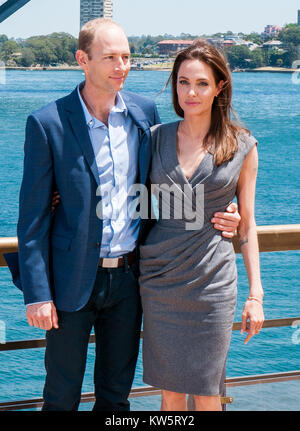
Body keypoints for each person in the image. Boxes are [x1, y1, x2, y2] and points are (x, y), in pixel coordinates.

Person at [6, 20, 241, 411]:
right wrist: (38, 295)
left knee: (116, 397)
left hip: (132, 280)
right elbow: (31, 220)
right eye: (110, 57)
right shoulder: (47, 123)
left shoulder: (143, 113)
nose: (121, 66)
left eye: (127, 57)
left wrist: (224, 212)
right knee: (61, 396)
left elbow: (170, 183)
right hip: (70, 284)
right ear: (83, 60)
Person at [139, 40, 265, 411]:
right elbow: (131, 197)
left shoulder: (243, 145)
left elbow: (248, 226)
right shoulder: (155, 137)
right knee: (171, 393)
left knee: (209, 390)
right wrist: (61, 198)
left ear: (220, 87)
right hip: (161, 279)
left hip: (213, 282)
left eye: (202, 83)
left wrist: (255, 296)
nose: (190, 92)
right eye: (182, 82)